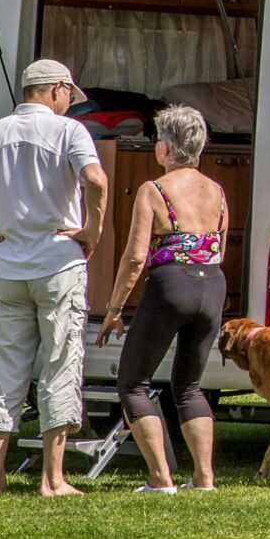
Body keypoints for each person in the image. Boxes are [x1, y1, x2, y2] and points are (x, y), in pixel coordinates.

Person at [0, 59, 107, 497]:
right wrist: (92, 230)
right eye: (68, 94)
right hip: (58, 264)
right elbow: (96, 180)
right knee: (60, 365)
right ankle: (53, 478)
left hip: (8, 268)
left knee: (6, 370)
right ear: (56, 89)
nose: (69, 103)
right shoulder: (69, 132)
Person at [98, 107, 229, 493]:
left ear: (165, 148)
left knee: (133, 384)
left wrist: (115, 309)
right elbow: (217, 247)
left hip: (172, 285)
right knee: (189, 387)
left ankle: (160, 478)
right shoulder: (217, 191)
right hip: (212, 286)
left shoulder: (154, 190)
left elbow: (135, 256)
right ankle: (204, 478)